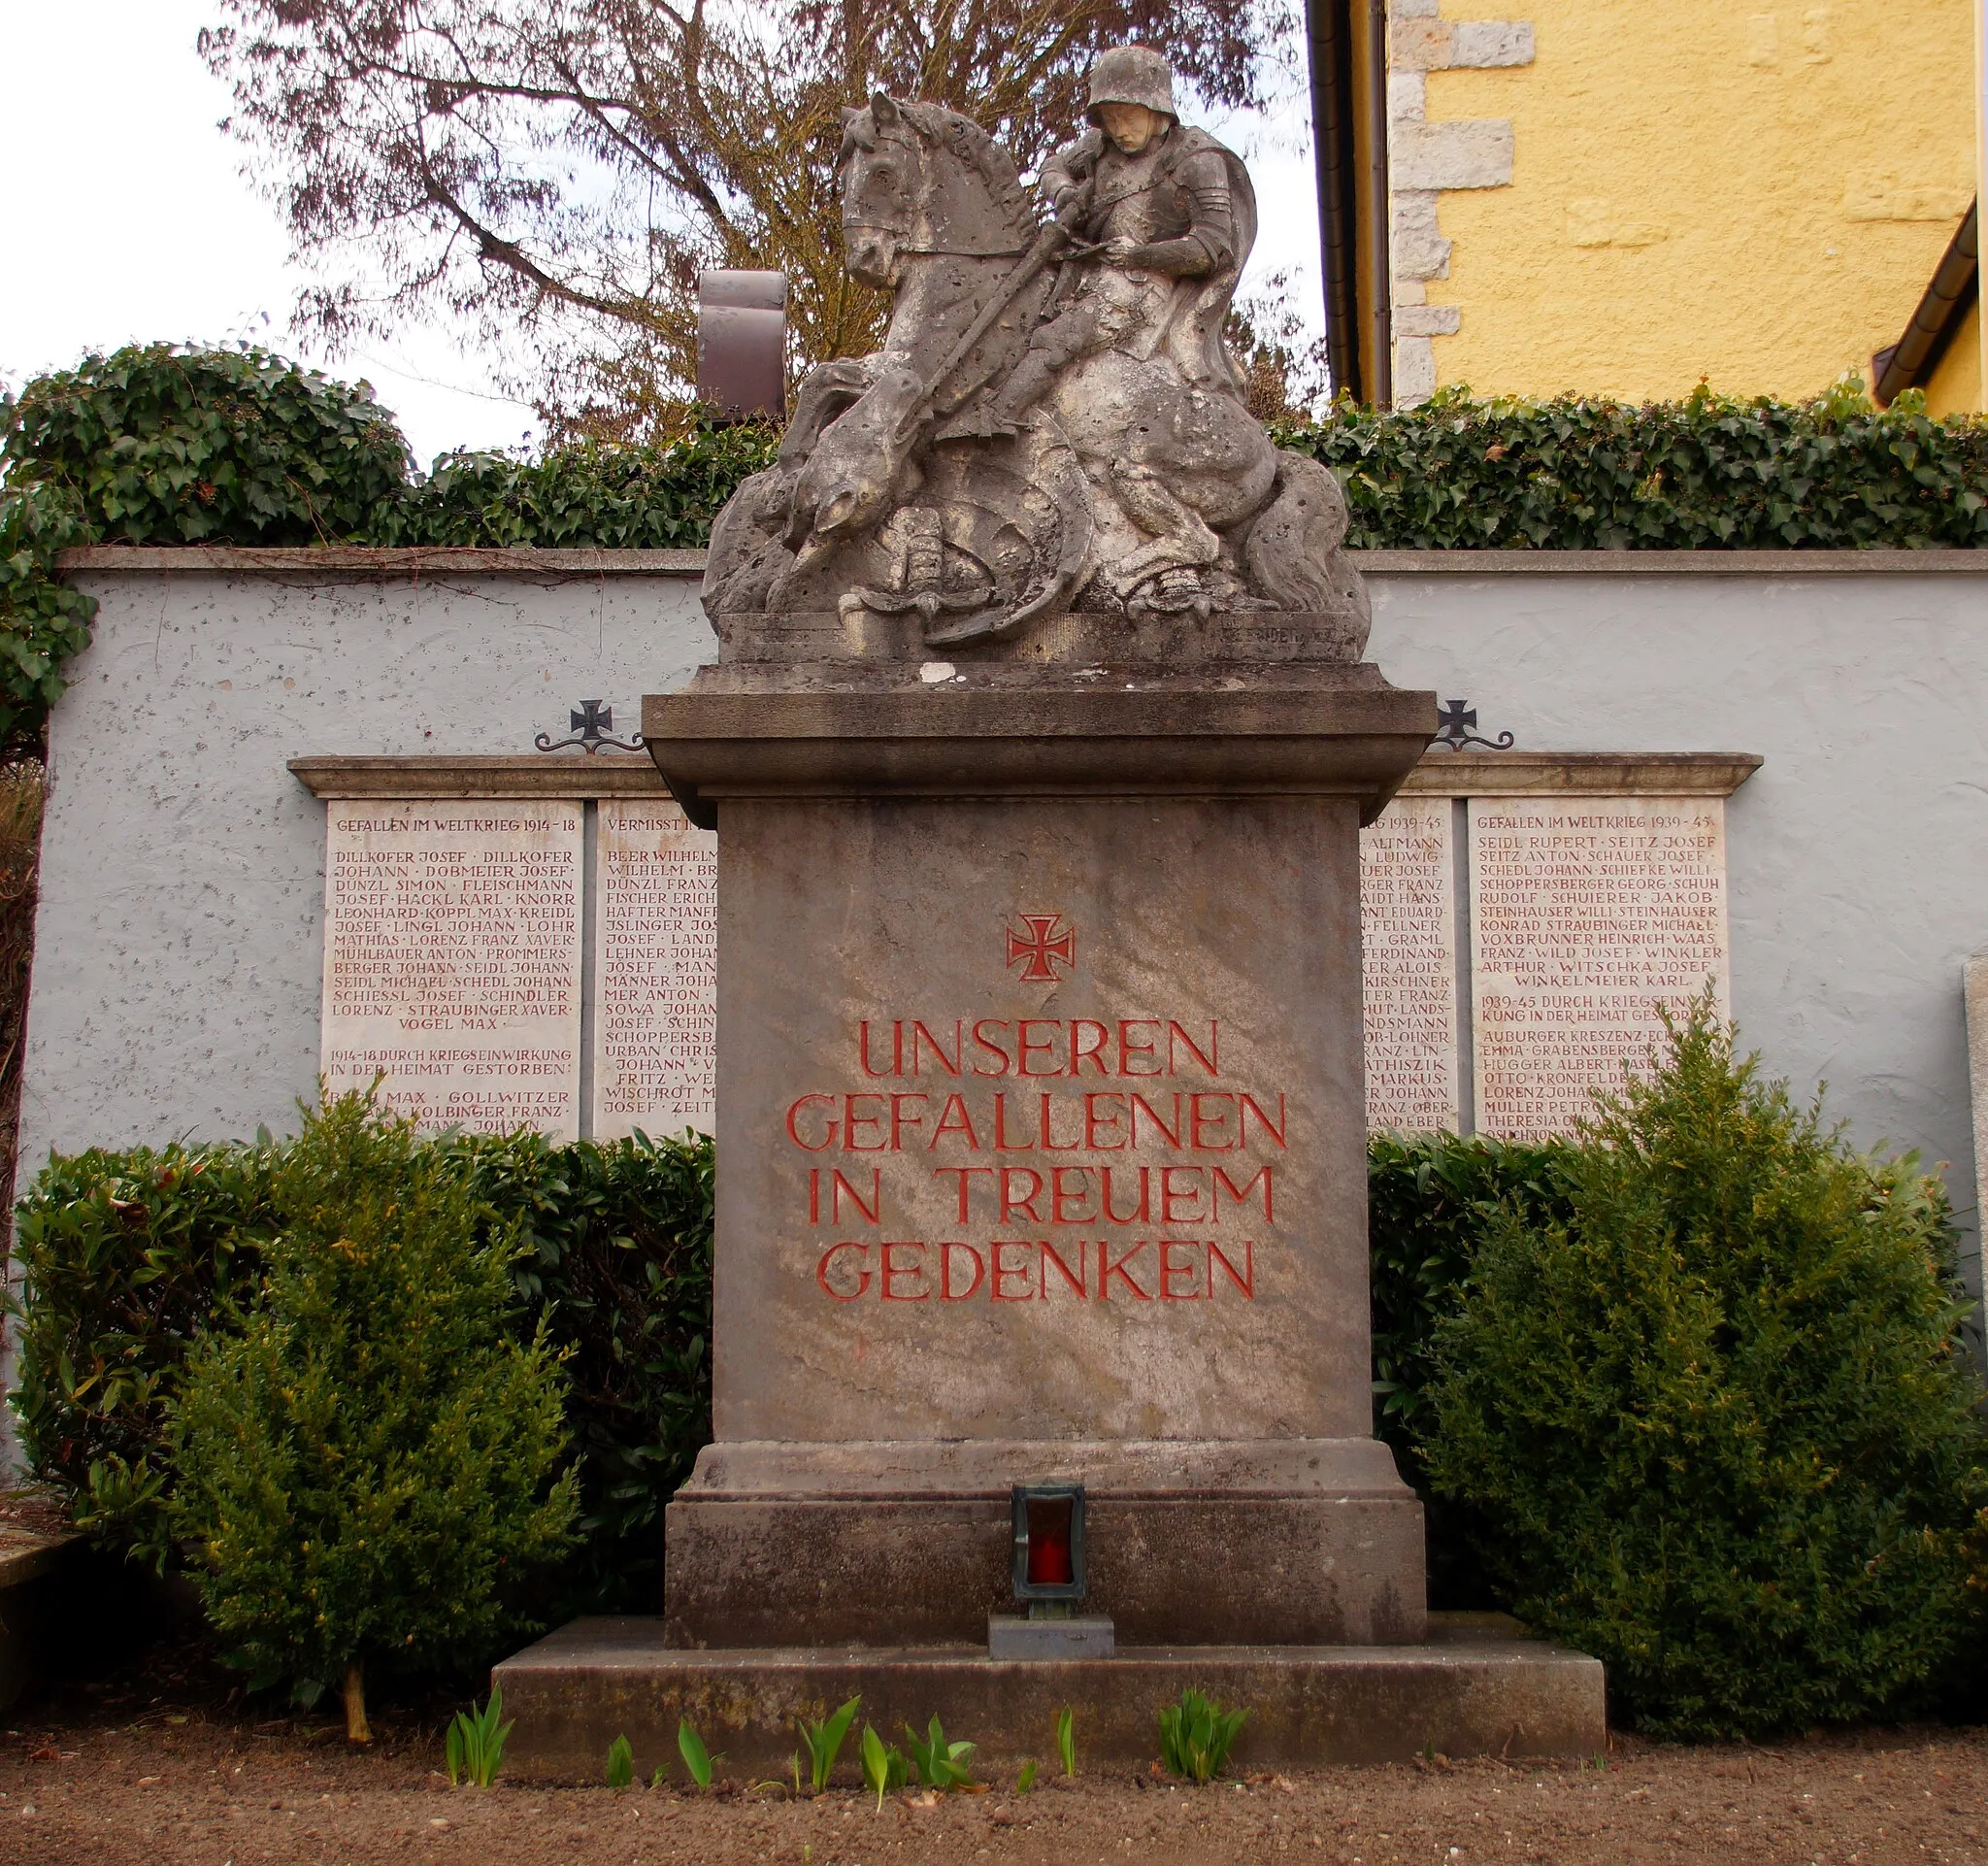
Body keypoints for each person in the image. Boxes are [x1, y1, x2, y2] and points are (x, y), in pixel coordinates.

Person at [940, 46, 1247, 442]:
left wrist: (1142, 255)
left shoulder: (1198, 160)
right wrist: (1066, 193)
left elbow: (1215, 248)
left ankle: (998, 417)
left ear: (1158, 113)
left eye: (1130, 117)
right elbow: (1053, 167)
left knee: (1061, 337)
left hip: (1144, 285)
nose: (1120, 129)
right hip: (1083, 266)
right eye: (1111, 118)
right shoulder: (1100, 146)